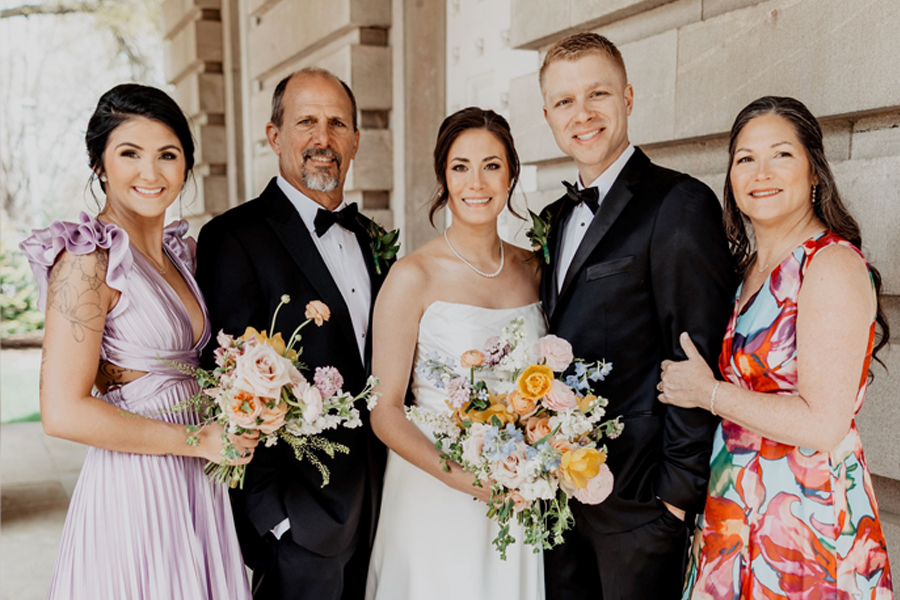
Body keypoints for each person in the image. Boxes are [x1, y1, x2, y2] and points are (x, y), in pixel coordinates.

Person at [19, 84, 257, 599]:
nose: (151, 173)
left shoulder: (181, 254)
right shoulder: (87, 262)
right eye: (130, 154)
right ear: (99, 163)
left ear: (185, 166)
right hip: (137, 488)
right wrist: (196, 441)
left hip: (200, 484)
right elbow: (61, 411)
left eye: (167, 155)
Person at [659, 96, 894, 599]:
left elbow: (822, 422)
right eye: (745, 158)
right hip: (734, 509)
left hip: (804, 521)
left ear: (814, 172)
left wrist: (708, 393)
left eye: (781, 155)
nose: (761, 172)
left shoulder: (829, 265)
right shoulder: (743, 272)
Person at [536, 32, 737, 600]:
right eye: (565, 101)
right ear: (547, 115)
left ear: (627, 97)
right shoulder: (552, 219)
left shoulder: (679, 204)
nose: (583, 114)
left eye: (597, 93)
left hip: (641, 506)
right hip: (557, 502)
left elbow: (698, 355)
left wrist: (674, 503)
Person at [195, 67, 390, 600]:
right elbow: (223, 386)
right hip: (299, 524)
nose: (322, 139)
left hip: (383, 508)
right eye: (306, 121)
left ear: (355, 139)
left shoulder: (372, 238)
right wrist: (274, 518)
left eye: (336, 123)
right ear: (274, 135)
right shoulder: (232, 238)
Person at [364, 107, 544, 600]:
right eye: (461, 166)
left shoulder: (534, 269)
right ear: (444, 176)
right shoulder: (412, 275)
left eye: (491, 165)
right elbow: (384, 410)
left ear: (511, 175)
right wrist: (463, 479)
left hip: (516, 488)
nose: (476, 182)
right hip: (433, 491)